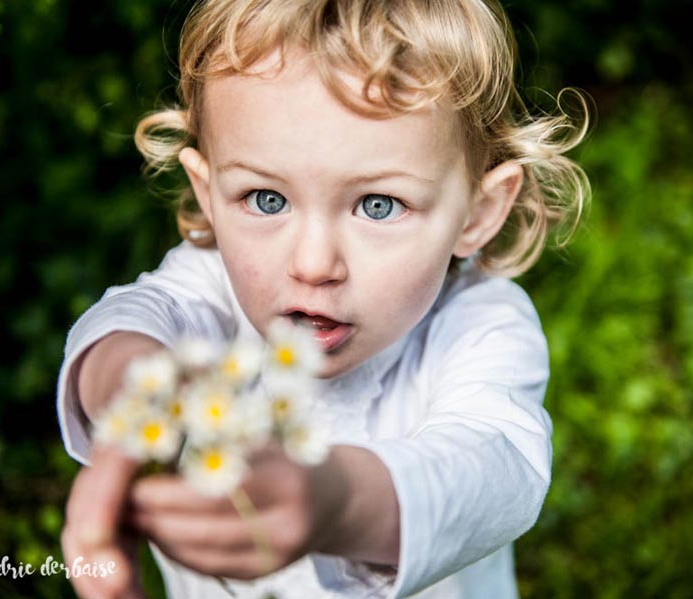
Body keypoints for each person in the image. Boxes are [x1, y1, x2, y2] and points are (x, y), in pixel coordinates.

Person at [57, 1, 589, 597]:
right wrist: (141, 391)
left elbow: (498, 470)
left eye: (378, 205)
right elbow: (129, 324)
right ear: (208, 194)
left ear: (479, 211)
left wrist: (337, 502)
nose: (313, 265)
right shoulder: (209, 290)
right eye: (266, 199)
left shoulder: (481, 326)